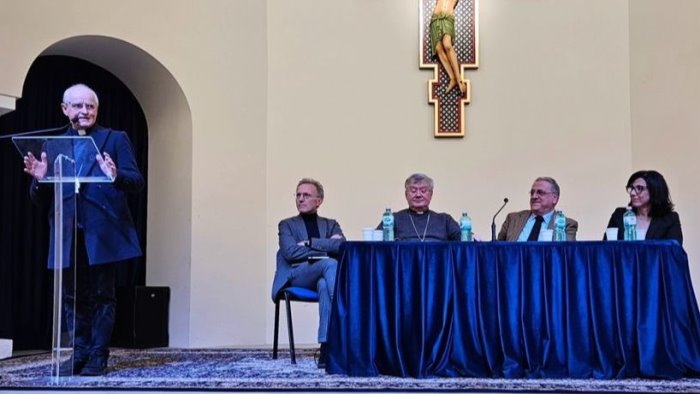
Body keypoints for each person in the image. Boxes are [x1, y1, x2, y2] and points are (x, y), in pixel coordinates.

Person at [23, 83, 144, 376]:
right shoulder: (53, 145)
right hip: (67, 232)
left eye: (89, 106)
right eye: (77, 106)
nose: (84, 111)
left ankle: (98, 355)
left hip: (102, 233)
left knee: (103, 295)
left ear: (96, 109)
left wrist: (115, 175)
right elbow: (39, 199)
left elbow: (136, 181)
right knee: (71, 297)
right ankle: (78, 352)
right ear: (65, 110)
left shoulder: (115, 139)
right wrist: (40, 179)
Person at [271, 178, 345, 368]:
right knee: (329, 264)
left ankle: (326, 348)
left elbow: (342, 247)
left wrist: (310, 243)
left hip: (322, 277)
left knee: (323, 283)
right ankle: (345, 317)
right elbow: (290, 253)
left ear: (319, 200)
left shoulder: (331, 224)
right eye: (298, 195)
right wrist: (327, 246)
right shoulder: (286, 225)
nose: (300, 199)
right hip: (297, 275)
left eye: (306, 195)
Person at [605, 170, 682, 244]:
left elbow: (673, 252)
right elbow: (605, 249)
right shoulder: (619, 215)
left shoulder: (670, 219)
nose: (632, 193)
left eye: (639, 188)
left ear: (654, 191)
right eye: (631, 188)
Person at [379, 173, 461, 241]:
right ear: (406, 194)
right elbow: (374, 243)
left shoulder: (445, 220)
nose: (418, 195)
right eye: (413, 190)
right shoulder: (392, 219)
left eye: (423, 190)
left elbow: (465, 241)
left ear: (431, 194)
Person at [498, 177, 578, 241]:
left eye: (540, 192)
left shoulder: (566, 224)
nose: (534, 196)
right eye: (532, 193)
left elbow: (566, 254)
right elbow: (496, 249)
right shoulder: (513, 219)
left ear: (554, 198)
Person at [430, 0, 467, 94]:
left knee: (447, 45)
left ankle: (459, 80)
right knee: (438, 48)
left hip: (447, 18)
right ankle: (452, 78)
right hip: (435, 19)